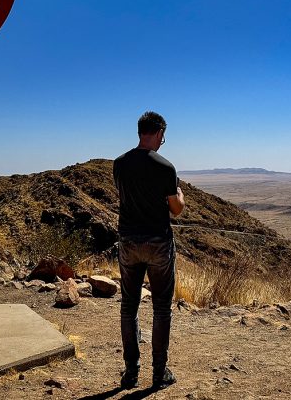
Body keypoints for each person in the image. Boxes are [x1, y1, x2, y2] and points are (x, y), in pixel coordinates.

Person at [112, 111, 185, 390]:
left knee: (129, 306)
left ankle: (131, 373)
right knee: (161, 308)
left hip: (129, 240)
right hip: (157, 241)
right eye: (163, 137)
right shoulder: (165, 167)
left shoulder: (119, 164)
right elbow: (175, 210)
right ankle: (158, 372)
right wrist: (180, 194)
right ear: (157, 133)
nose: (162, 141)